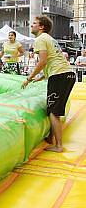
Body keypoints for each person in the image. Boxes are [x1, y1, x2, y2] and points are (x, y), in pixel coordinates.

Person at [22, 16, 75, 153]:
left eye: (34, 23)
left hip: (59, 76)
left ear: (41, 27)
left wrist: (29, 77)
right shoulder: (49, 39)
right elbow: (54, 60)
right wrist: (40, 77)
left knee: (53, 111)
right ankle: (51, 139)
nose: (31, 25)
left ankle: (58, 146)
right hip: (67, 74)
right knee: (53, 108)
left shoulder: (40, 39)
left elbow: (43, 61)